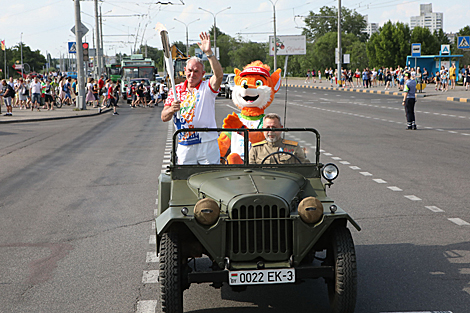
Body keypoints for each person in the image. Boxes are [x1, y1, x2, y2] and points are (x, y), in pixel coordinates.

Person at [161, 31, 223, 165]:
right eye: (189, 70)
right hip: (185, 143)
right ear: (185, 70)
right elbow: (164, 117)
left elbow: (218, 76)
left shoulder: (207, 88)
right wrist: (172, 109)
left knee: (210, 177)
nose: (192, 74)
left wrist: (209, 54)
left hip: (207, 142)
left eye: (196, 71)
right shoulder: (175, 90)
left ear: (203, 74)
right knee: (185, 179)